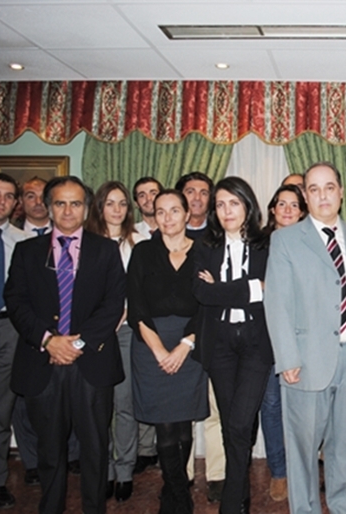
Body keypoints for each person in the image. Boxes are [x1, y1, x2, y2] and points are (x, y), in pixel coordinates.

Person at [264, 162, 346, 514]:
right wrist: (287, 358)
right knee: (302, 447)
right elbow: (278, 303)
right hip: (305, 360)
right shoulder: (285, 240)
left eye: (329, 187)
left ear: (341, 192)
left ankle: (344, 505)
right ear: (305, 196)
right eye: (314, 189)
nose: (323, 196)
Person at [5, 176, 126, 514]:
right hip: (42, 362)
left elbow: (113, 304)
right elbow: (16, 301)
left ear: (86, 209)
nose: (68, 211)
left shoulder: (105, 250)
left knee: (95, 448)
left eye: (76, 203)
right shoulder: (27, 251)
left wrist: (77, 344)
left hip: (91, 363)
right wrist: (49, 341)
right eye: (60, 203)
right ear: (49, 207)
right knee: (49, 451)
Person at [192, 177, 273, 514]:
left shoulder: (267, 245)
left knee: (240, 423)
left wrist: (222, 289)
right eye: (221, 204)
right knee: (230, 425)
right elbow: (202, 294)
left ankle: (230, 503)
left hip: (256, 342)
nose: (227, 210)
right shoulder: (204, 247)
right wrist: (252, 288)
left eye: (234, 203)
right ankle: (241, 497)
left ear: (247, 206)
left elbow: (273, 290)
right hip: (219, 343)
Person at [127, 189, 209, 514]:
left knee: (184, 424)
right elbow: (136, 305)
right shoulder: (143, 252)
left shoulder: (204, 251)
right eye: (160, 211)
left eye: (174, 210)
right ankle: (180, 495)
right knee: (164, 425)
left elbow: (207, 305)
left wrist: (185, 345)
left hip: (191, 343)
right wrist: (161, 351)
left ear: (187, 214)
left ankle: (175, 489)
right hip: (150, 345)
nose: (167, 217)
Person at [85, 181, 146, 503]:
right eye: (110, 203)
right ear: (99, 207)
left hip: (126, 332)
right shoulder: (85, 243)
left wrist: (124, 312)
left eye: (122, 203)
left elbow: (143, 290)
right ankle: (104, 469)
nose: (117, 209)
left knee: (124, 404)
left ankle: (124, 470)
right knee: (97, 406)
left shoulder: (139, 242)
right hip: (92, 334)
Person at [175, 171, 224, 501]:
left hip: (213, 332)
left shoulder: (219, 237)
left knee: (216, 408)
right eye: (190, 191)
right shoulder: (166, 235)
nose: (196, 197)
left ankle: (218, 474)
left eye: (203, 192)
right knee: (182, 409)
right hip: (178, 335)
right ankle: (182, 474)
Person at [256, 183, 306, 503]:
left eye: (294, 205)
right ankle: (279, 471)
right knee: (271, 404)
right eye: (282, 204)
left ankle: (303, 469)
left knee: (303, 407)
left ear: (302, 212)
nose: (287, 210)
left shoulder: (311, 243)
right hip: (266, 335)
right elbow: (252, 286)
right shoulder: (258, 244)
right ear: (272, 209)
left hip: (304, 335)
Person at [0, 173, 27, 508]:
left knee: (0, 410)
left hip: (10, 329)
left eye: (9, 196)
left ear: (16, 204)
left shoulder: (23, 242)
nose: (1, 201)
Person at [130, 177, 163, 474]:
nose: (148, 199)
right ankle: (144, 448)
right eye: (142, 195)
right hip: (138, 321)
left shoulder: (177, 233)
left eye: (154, 193)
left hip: (170, 321)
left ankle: (166, 448)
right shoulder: (130, 235)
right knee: (142, 387)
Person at [176, 172, 214, 240]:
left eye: (204, 193)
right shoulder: (168, 231)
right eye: (190, 192)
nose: (197, 198)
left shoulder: (219, 233)